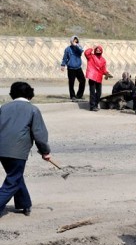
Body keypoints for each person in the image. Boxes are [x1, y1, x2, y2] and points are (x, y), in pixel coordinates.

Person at [0, 82, 51, 217]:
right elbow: (39, 134)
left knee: (15, 175)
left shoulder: (3, 108)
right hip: (17, 150)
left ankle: (25, 204)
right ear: (30, 94)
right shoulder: (33, 110)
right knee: (13, 180)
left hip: (1, 149)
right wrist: (45, 151)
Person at [84, 45, 111, 111]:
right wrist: (92, 48)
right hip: (92, 77)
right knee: (92, 92)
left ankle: (95, 104)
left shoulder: (103, 60)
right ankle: (92, 106)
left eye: (99, 50)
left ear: (101, 51)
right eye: (97, 50)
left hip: (99, 77)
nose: (98, 51)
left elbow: (104, 70)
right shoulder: (91, 57)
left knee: (99, 93)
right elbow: (86, 53)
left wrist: (107, 73)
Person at [60, 36, 86, 101]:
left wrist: (76, 45)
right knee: (71, 83)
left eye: (76, 41)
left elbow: (81, 51)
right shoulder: (67, 49)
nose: (75, 41)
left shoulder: (79, 47)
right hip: (71, 68)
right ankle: (72, 96)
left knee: (83, 81)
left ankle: (79, 95)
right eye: (74, 40)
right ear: (71, 41)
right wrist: (63, 65)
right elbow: (65, 58)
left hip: (78, 68)